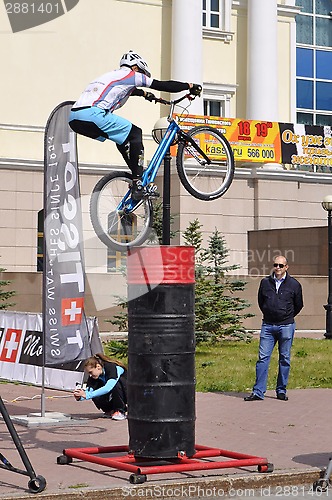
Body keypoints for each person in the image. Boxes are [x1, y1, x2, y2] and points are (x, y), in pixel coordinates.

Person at [69, 50, 202, 200]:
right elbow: (161, 85)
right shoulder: (132, 75)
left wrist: (145, 95)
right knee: (136, 133)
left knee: (123, 139)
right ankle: (138, 182)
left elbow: (127, 90)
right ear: (135, 68)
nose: (142, 77)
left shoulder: (112, 75)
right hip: (93, 115)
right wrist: (188, 86)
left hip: (75, 118)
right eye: (142, 74)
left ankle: (136, 175)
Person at [244, 255, 303, 402]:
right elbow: (261, 301)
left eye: (281, 266)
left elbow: (299, 305)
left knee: (285, 359)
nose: (277, 268)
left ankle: (281, 390)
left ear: (286, 267)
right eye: (275, 265)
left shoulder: (294, 285)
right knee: (263, 358)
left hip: (286, 326)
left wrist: (286, 316)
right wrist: (269, 312)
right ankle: (258, 392)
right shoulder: (265, 283)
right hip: (268, 326)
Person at [73, 353, 127, 420]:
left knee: (116, 384)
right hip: (112, 394)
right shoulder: (94, 376)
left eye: (90, 372)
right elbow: (89, 391)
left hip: (127, 392)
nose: (90, 375)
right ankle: (109, 410)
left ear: (98, 367)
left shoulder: (112, 368)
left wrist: (87, 395)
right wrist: (80, 396)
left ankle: (120, 411)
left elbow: (108, 387)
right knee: (96, 390)